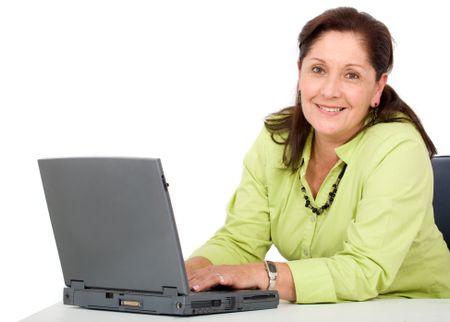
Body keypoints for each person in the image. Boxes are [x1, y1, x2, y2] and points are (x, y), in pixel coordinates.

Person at [185, 7, 450, 303]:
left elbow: (365, 270)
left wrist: (264, 274)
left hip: (418, 308)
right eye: (318, 69)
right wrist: (187, 274)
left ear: (377, 88)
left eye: (351, 75)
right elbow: (240, 241)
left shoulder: (399, 149)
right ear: (300, 73)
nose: (329, 90)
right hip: (327, 311)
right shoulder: (277, 139)